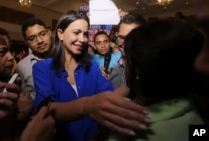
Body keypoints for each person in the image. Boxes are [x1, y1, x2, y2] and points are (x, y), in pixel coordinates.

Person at [33, 10, 150, 141]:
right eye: (76, 33)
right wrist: (87, 105)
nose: (83, 39)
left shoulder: (92, 66)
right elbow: (47, 109)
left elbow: (109, 97)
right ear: (60, 34)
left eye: (85, 34)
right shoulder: (42, 68)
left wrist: (132, 78)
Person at [106, 19, 206, 141]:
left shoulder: (128, 134)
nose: (123, 62)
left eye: (126, 58)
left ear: (137, 70)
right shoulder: (198, 110)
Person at [16, 18, 53, 100]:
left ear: (49, 33)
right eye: (32, 39)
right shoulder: (21, 66)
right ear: (26, 42)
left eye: (43, 34)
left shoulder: (66, 57)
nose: (39, 41)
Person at [109, 12, 147, 89]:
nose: (126, 43)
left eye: (132, 38)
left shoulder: (152, 68)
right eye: (121, 37)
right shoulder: (115, 70)